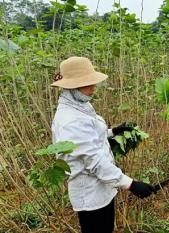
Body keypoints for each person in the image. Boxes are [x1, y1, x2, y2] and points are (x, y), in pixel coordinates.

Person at [51, 56, 156, 233]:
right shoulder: (71, 120)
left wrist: (112, 132)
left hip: (101, 189)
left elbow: (89, 137)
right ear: (71, 87)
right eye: (87, 84)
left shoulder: (80, 105)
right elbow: (93, 161)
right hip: (90, 193)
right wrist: (131, 184)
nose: (93, 89)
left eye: (93, 83)